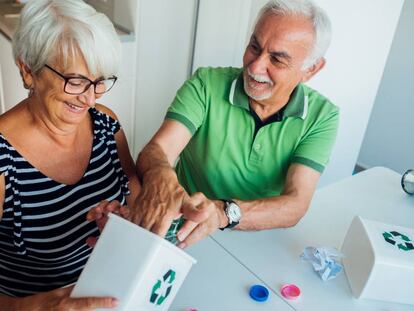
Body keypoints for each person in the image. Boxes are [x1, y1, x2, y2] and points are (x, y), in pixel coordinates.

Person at [122, 0, 339, 248]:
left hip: (258, 235)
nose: (256, 66)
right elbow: (158, 150)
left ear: (311, 69)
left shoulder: (323, 116)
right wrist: (160, 177)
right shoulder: (205, 84)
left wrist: (223, 213)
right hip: (183, 228)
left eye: (277, 60)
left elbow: (295, 204)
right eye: (254, 47)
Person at [0, 0, 140, 309]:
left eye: (100, 80)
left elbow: (133, 192)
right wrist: (37, 307)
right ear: (28, 70)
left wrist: (126, 223)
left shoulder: (105, 123)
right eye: (75, 80)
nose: (89, 97)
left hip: (112, 294)